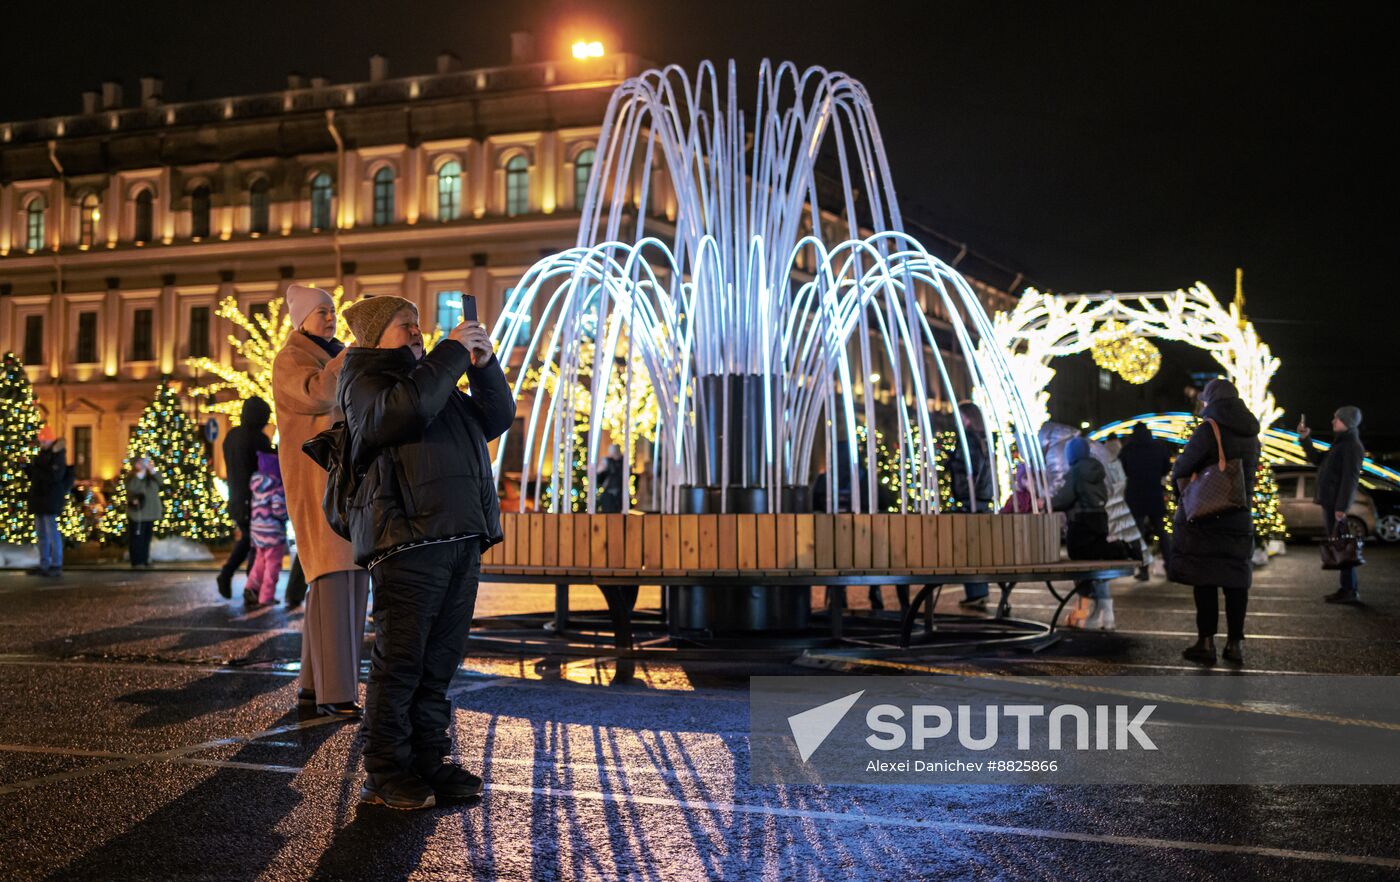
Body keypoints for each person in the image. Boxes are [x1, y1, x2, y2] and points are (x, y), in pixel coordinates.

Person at [337, 294, 514, 810]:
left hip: (460, 537)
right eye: (404, 325)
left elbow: (497, 416)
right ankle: (387, 771)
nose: (416, 332)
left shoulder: (433, 378)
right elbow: (403, 413)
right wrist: (450, 354)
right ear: (374, 336)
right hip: (408, 541)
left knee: (439, 662)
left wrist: (482, 366)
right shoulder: (367, 379)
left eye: (418, 325)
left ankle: (429, 759)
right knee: (402, 663)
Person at [271, 284, 368, 718]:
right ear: (301, 320)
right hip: (317, 484)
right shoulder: (292, 359)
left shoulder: (324, 353)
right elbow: (319, 394)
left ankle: (315, 686)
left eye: (332, 310)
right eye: (322, 312)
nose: (331, 317)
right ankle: (336, 694)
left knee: (343, 580)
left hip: (342, 481)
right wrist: (349, 355)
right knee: (332, 579)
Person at [1171, 379, 1261, 666]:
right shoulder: (1252, 434)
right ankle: (1235, 644)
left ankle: (1206, 642)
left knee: (1206, 580)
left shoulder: (1209, 429)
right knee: (1236, 581)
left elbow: (1182, 467)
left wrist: (1182, 491)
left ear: (1210, 400)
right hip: (1239, 514)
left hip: (1208, 516)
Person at [1052, 436, 1133, 631]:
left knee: (1082, 562)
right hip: (1099, 519)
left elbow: (1065, 498)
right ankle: (1104, 613)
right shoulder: (1096, 469)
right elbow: (1104, 494)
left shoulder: (1076, 471)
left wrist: (1050, 503)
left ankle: (1092, 611)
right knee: (1096, 564)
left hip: (1081, 521)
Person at [1299, 406, 1365, 604]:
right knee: (1340, 545)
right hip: (1332, 502)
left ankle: (1349, 590)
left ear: (1347, 422)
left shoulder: (1351, 446)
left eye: (1336, 419)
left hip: (1336, 504)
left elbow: (1350, 479)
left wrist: (1341, 507)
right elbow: (1318, 460)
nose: (1332, 421)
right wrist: (1305, 439)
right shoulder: (1341, 444)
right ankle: (1347, 588)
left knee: (1342, 545)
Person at [217, 397, 273, 599]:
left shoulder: (231, 436)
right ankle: (244, 582)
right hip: (255, 499)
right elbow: (267, 469)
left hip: (236, 496)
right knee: (255, 542)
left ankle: (243, 582)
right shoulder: (259, 439)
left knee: (251, 541)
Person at [951, 402, 995, 609]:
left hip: (972, 497)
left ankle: (976, 593)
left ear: (968, 417)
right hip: (983, 497)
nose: (958, 420)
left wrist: (952, 465)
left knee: (968, 548)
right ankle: (979, 592)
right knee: (976, 547)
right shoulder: (984, 438)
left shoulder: (968, 438)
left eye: (960, 416)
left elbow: (970, 467)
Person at [1119, 422, 1173, 580]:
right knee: (1162, 532)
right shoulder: (1158, 447)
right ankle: (1169, 567)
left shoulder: (1128, 449)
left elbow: (1123, 469)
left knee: (1139, 535)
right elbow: (1166, 467)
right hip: (1154, 493)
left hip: (1135, 495)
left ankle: (1143, 570)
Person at [25, 429, 74, 579]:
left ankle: (56, 564)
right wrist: (28, 469)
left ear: (51, 440)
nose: (41, 443)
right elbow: (37, 476)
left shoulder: (58, 455)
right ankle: (44, 564)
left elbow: (54, 477)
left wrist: (36, 470)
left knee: (51, 532)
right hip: (40, 498)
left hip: (50, 498)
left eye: (43, 440)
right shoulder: (44, 454)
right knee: (42, 533)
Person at [244, 451, 288, 608]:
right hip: (273, 535)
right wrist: (286, 515)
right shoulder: (277, 489)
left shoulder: (257, 488)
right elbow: (279, 511)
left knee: (259, 563)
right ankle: (266, 597)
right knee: (272, 566)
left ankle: (251, 587)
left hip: (258, 534)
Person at [1102, 436, 1145, 572]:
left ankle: (1124, 562)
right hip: (1120, 500)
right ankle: (1141, 563)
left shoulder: (1106, 461)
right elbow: (1123, 481)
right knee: (1130, 534)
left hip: (1112, 502)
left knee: (1117, 535)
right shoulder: (1118, 461)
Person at [126, 458, 163, 569]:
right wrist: (140, 474)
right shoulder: (132, 477)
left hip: (150, 512)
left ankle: (145, 559)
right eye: (139, 463)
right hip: (138, 514)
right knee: (137, 539)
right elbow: (132, 488)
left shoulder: (151, 477)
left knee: (146, 538)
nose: (142, 465)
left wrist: (153, 471)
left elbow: (160, 482)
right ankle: (137, 561)